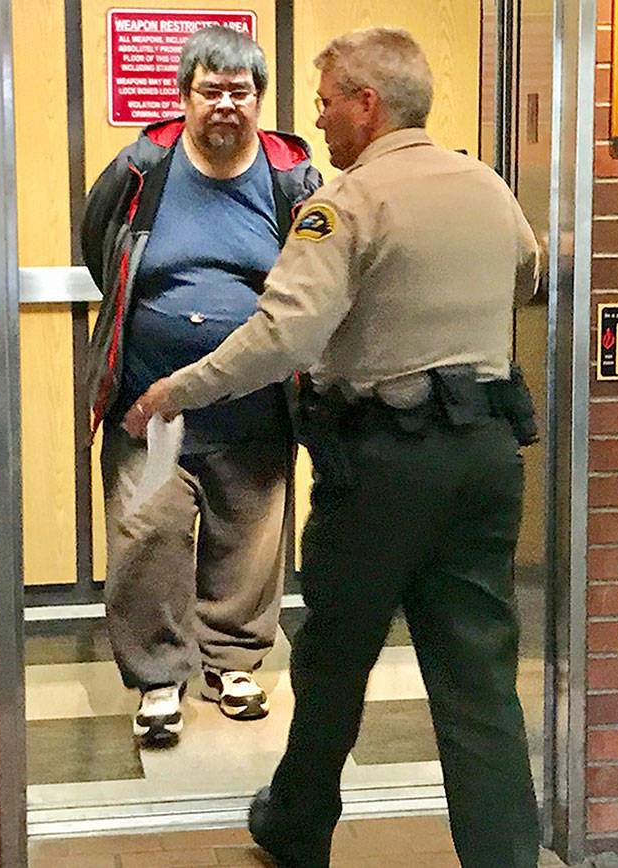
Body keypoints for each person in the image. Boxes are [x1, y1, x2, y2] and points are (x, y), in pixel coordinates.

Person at [128, 26, 541, 868]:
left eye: (325, 105)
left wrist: (176, 390)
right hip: (486, 457)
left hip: (383, 464)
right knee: (477, 677)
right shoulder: (487, 185)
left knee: (333, 661)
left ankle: (297, 825)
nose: (317, 124)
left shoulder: (345, 204)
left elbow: (283, 334)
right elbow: (528, 272)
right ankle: (506, 856)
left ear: (368, 104)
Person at [80, 25, 321, 747]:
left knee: (247, 534)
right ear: (184, 96)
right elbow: (100, 252)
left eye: (238, 92)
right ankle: (159, 676)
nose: (225, 104)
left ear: (258, 101)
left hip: (254, 406)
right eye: (209, 89)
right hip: (149, 409)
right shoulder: (142, 169)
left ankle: (233, 662)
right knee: (147, 530)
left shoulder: (290, 180)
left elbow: (315, 274)